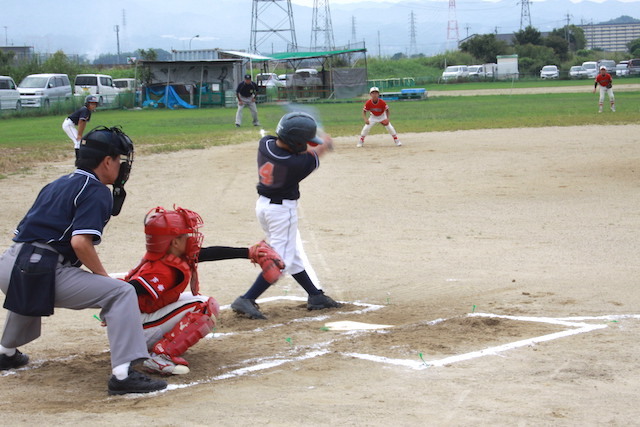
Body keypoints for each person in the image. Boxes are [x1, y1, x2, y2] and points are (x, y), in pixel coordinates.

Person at [0, 126, 167, 396]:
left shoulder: (56, 183)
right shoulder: (97, 189)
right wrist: (102, 277)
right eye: (119, 160)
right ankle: (123, 376)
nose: (122, 167)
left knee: (27, 277)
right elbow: (80, 243)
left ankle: (5, 352)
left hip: (8, 264)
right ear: (107, 161)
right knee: (121, 292)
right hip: (41, 268)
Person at [124, 206, 284, 375]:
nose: (191, 239)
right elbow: (126, 291)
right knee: (204, 307)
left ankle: (147, 347)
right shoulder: (162, 271)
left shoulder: (166, 255)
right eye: (185, 235)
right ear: (175, 242)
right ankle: (161, 356)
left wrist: (248, 252)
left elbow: (205, 253)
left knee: (197, 301)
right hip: (136, 331)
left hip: (136, 326)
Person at [231, 112, 341, 320]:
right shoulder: (295, 165)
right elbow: (315, 153)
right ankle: (247, 298)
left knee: (292, 253)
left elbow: (300, 147)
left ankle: (315, 296)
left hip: (264, 208)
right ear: (295, 143)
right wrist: (326, 143)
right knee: (281, 261)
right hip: (282, 212)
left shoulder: (266, 143)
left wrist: (309, 137)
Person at [62, 95, 99, 159]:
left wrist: (80, 134)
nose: (93, 105)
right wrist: (79, 135)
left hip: (70, 125)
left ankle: (81, 158)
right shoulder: (85, 110)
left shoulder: (88, 111)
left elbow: (84, 123)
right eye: (91, 103)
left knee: (80, 140)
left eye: (95, 104)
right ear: (87, 103)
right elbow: (81, 122)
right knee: (78, 141)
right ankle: (78, 160)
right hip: (68, 125)